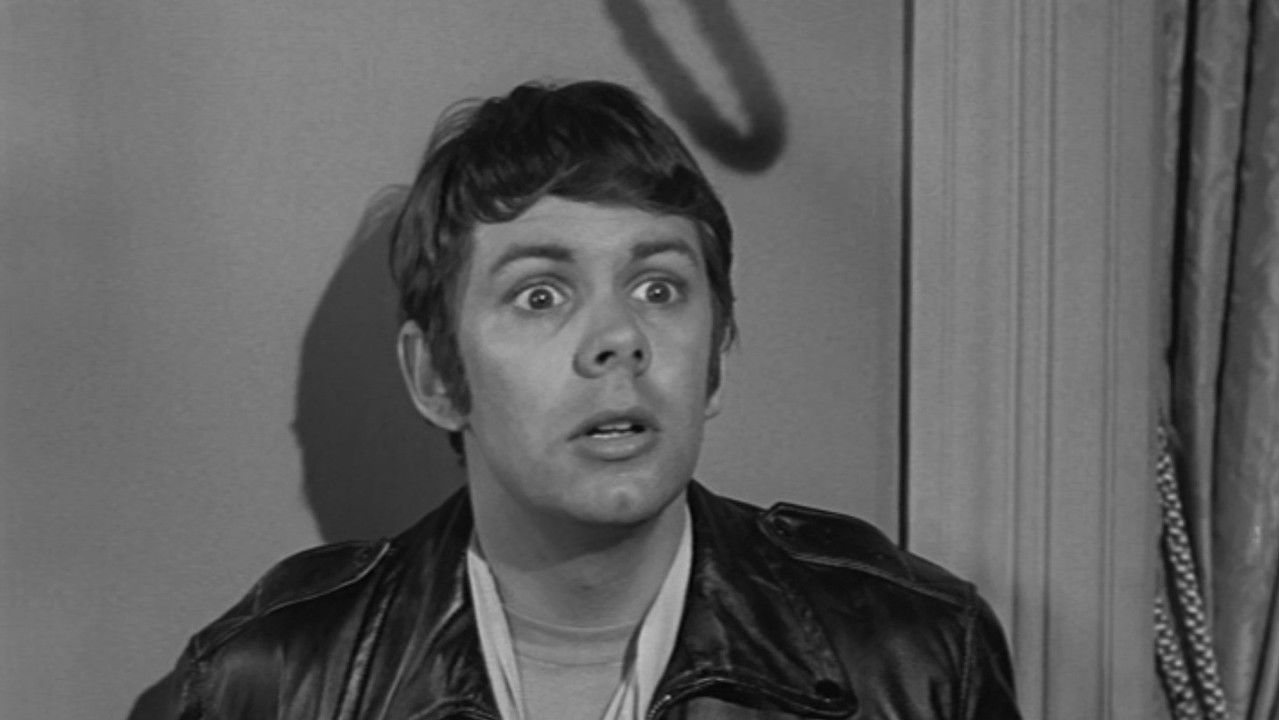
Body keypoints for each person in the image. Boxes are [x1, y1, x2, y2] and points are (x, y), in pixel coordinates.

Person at [156, 80, 1021, 719]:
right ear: (436, 378)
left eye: (657, 288)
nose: (619, 338)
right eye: (540, 295)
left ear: (714, 358)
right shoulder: (269, 682)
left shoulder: (914, 655)